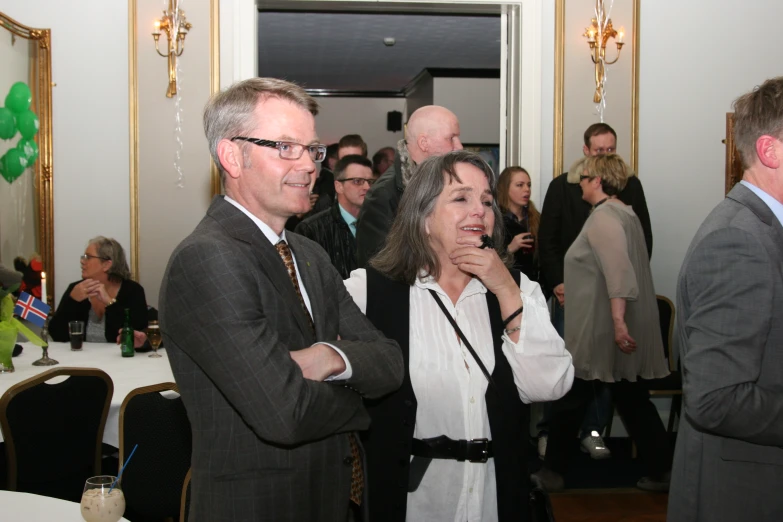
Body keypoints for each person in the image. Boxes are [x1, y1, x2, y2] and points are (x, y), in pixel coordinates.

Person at [159, 77, 404, 522]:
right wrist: (362, 403)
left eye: (312, 149)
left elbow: (389, 361)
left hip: (330, 500)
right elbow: (284, 412)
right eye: (285, 147)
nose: (310, 166)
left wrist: (329, 357)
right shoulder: (208, 258)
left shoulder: (307, 252)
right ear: (232, 155)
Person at [344, 151, 574, 521]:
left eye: (486, 200)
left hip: (495, 498)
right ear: (423, 219)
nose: (480, 210)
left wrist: (506, 292)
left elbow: (549, 386)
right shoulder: (367, 293)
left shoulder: (520, 290)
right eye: (461, 198)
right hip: (413, 501)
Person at [668, 77, 783, 522]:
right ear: (771, 152)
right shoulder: (739, 239)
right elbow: (716, 398)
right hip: (744, 493)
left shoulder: (760, 230)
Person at [532, 154, 671, 493]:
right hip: (609, 326)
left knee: (572, 400)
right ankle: (663, 471)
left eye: (583, 177)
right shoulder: (624, 213)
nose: (579, 183)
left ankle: (553, 472)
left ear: (597, 181)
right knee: (633, 400)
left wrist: (619, 323)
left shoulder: (605, 218)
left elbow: (618, 272)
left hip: (603, 330)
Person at [537, 122, 653, 459]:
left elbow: (642, 242)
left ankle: (593, 431)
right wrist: (558, 282)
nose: (604, 155)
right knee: (565, 368)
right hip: (569, 296)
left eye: (610, 150)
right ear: (586, 151)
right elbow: (549, 240)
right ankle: (550, 434)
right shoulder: (563, 186)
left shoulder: (630, 189)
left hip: (610, 298)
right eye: (598, 150)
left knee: (605, 371)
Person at [355, 105, 463, 267]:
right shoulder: (384, 195)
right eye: (451, 138)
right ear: (424, 143)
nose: (459, 146)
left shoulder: (446, 184)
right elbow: (378, 266)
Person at [49, 236, 148, 345]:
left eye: (88, 257)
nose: (82, 261)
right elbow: (56, 334)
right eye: (83, 257)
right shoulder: (76, 288)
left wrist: (109, 303)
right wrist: (72, 301)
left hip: (119, 359)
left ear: (106, 264)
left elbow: (138, 336)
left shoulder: (133, 291)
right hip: (81, 359)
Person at [296, 155, 375, 278]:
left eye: (370, 182)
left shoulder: (380, 222)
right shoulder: (311, 229)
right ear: (339, 186)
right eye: (357, 181)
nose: (367, 187)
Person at [497, 166, 539, 283]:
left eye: (529, 185)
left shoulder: (536, 218)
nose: (527, 189)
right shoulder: (496, 219)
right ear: (505, 188)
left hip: (533, 287)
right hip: (506, 284)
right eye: (520, 185)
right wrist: (511, 248)